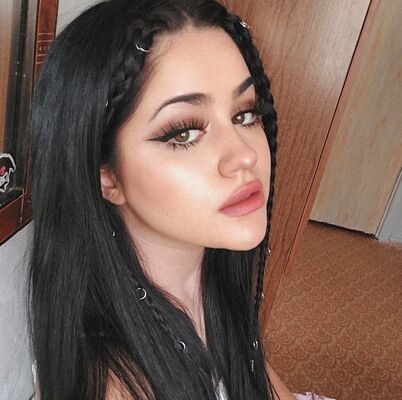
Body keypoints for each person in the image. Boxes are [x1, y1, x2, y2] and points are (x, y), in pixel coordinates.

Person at [29, 0, 296, 398]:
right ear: (106, 177)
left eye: (244, 114)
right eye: (184, 133)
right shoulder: (115, 386)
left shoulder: (209, 279)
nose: (245, 156)